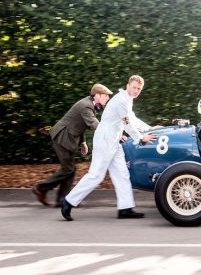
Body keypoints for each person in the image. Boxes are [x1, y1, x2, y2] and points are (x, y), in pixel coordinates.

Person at [61, 75, 157, 221]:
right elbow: (127, 124)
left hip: (113, 141)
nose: (136, 90)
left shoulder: (127, 100)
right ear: (128, 85)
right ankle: (68, 202)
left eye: (139, 89)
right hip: (105, 140)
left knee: (122, 174)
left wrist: (150, 129)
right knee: (95, 176)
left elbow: (133, 119)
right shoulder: (121, 101)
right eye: (134, 87)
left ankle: (125, 209)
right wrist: (141, 138)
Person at [32, 84, 113, 207]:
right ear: (96, 95)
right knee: (68, 169)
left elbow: (80, 124)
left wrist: (83, 142)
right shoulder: (86, 106)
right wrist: (114, 133)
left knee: (70, 169)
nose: (107, 98)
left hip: (68, 137)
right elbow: (94, 124)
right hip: (62, 137)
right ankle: (41, 188)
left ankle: (62, 199)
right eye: (105, 95)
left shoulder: (89, 104)